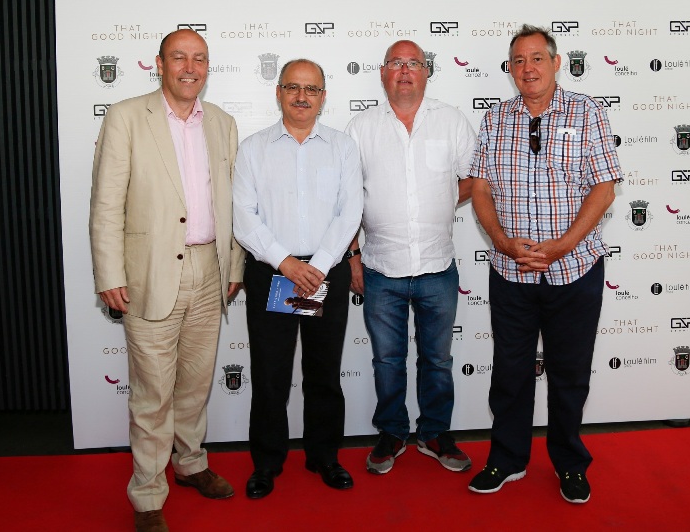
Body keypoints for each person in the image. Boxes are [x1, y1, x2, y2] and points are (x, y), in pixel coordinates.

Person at [89, 29, 244, 532]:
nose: (189, 67)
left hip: (209, 270)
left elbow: (232, 202)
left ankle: (191, 463)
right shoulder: (126, 116)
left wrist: (234, 266)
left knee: (195, 385)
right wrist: (110, 272)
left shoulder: (222, 122)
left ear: (208, 67)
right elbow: (106, 202)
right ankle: (148, 495)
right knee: (152, 394)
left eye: (199, 58)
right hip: (149, 273)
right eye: (179, 57)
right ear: (159, 64)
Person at [467, 25, 622, 502]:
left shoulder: (588, 111)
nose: (527, 68)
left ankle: (570, 465)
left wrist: (563, 246)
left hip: (574, 271)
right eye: (518, 60)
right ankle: (506, 458)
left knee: (570, 374)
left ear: (556, 63)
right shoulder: (495, 118)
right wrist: (501, 242)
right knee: (509, 372)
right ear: (510, 69)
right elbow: (480, 189)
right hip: (510, 272)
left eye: (536, 58)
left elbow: (604, 187)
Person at [233, 59, 363, 499]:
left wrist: (318, 266)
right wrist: (286, 263)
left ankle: (324, 456)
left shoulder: (342, 147)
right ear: (279, 92)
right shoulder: (254, 148)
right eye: (293, 87)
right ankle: (267, 463)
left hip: (325, 271)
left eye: (311, 89)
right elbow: (243, 216)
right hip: (273, 273)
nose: (302, 97)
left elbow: (350, 211)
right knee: (270, 374)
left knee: (323, 372)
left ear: (323, 96)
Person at [345, 40, 476, 475]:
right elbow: (347, 199)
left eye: (414, 63)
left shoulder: (451, 121)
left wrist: (440, 200)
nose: (405, 71)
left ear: (427, 72)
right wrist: (354, 257)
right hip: (381, 267)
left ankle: (434, 432)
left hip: (438, 266)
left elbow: (473, 178)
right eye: (396, 63)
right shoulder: (360, 128)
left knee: (437, 360)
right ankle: (392, 432)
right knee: (387, 361)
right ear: (383, 73)